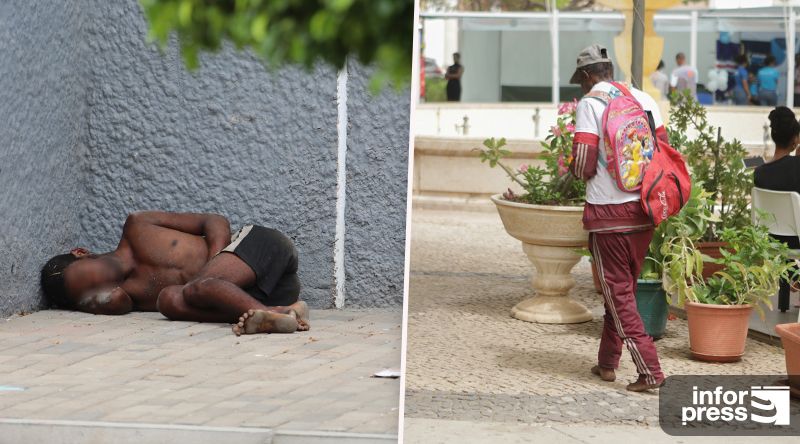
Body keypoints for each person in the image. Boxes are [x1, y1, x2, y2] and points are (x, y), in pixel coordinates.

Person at [568, 44, 666, 392]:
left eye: (579, 80)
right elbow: (664, 151)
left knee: (619, 295)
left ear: (585, 76)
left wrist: (575, 172)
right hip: (643, 212)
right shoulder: (644, 99)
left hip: (608, 215)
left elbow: (583, 163)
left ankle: (650, 370)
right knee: (619, 290)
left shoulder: (590, 104)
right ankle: (607, 363)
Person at [40, 211, 309, 335]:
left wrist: (214, 262)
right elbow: (117, 304)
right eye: (87, 289)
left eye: (85, 274)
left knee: (195, 288)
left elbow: (214, 221)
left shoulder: (138, 226)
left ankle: (276, 316)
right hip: (267, 292)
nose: (94, 281)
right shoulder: (128, 294)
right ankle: (272, 312)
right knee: (167, 300)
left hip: (258, 250)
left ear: (81, 252)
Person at [754, 107, 800, 311]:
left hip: (773, 240)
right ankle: (795, 277)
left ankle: (793, 277)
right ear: (795, 139)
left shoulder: (760, 173)